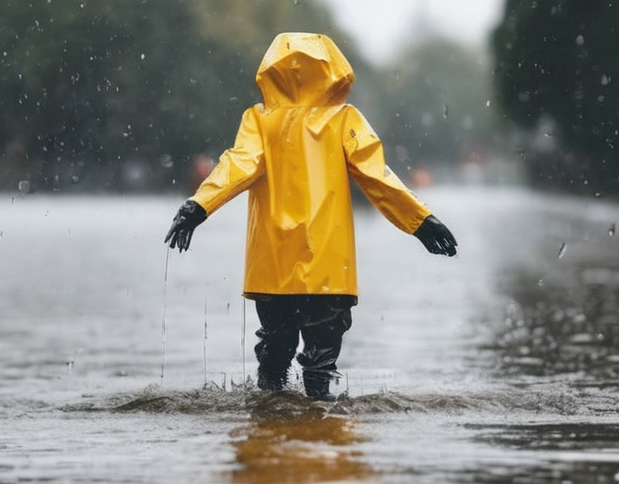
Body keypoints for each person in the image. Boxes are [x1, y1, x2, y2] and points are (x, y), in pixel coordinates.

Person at [165, 32, 457, 401]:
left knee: (273, 360)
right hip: (327, 266)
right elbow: (376, 177)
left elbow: (237, 166)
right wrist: (420, 220)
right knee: (321, 368)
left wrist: (198, 206)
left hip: (272, 264)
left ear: (272, 71)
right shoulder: (344, 119)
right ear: (332, 70)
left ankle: (269, 436)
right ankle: (321, 435)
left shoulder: (259, 120)